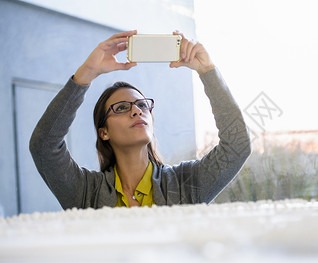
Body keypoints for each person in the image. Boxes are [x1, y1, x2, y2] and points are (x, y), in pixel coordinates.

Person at [29, 30, 251, 209]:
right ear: (103, 132)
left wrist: (206, 70)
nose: (136, 111)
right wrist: (86, 73)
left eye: (142, 105)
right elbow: (44, 147)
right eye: (122, 108)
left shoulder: (185, 184)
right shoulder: (86, 192)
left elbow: (237, 145)